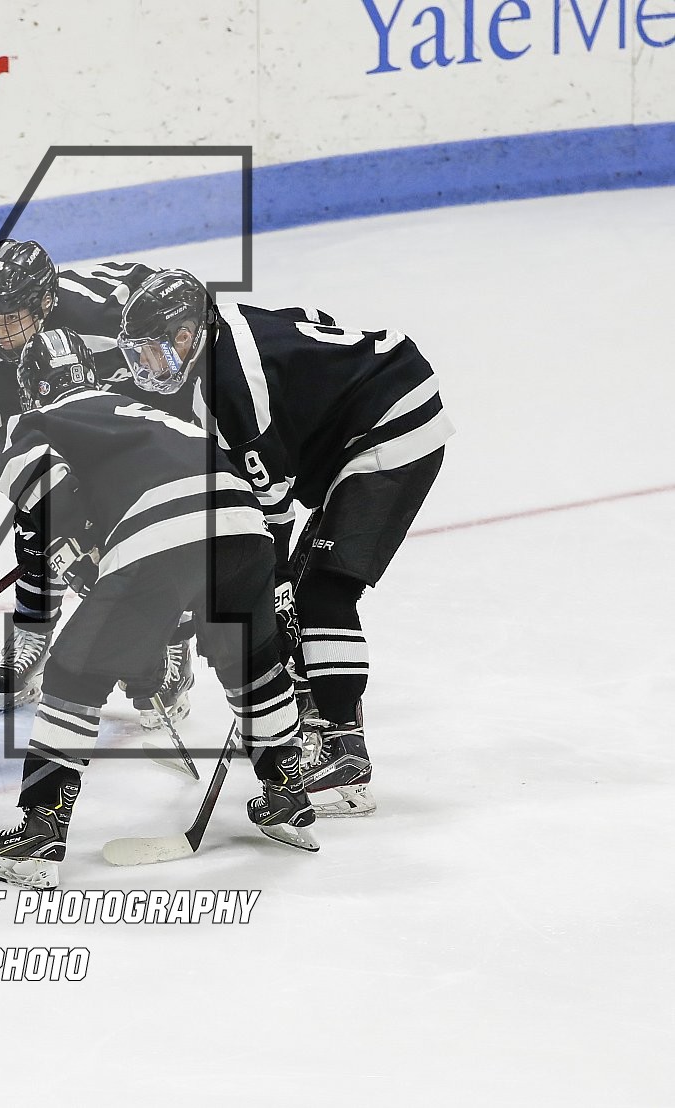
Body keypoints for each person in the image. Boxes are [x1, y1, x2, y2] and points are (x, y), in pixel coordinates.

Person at [0, 328, 317, 890]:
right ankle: (286, 789)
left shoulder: (32, 420)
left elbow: (41, 486)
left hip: (162, 533)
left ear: (31, 389)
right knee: (251, 662)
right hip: (244, 524)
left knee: (72, 671)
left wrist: (81, 554)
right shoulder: (147, 406)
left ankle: (40, 828)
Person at [118, 270, 453, 816]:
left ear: (185, 336)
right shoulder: (211, 356)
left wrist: (264, 588)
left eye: (154, 352)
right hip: (351, 429)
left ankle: (345, 746)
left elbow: (268, 510)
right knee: (294, 594)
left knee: (319, 593)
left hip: (392, 419)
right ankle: (324, 731)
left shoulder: (233, 381)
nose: (147, 368)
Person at [0, 239, 192, 724]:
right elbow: (15, 453)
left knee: (154, 514)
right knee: (40, 503)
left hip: (137, 411)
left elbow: (177, 313)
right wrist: (71, 546)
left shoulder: (106, 318)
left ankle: (174, 641)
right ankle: (34, 628)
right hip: (65, 415)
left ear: (45, 303)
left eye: (12, 318)